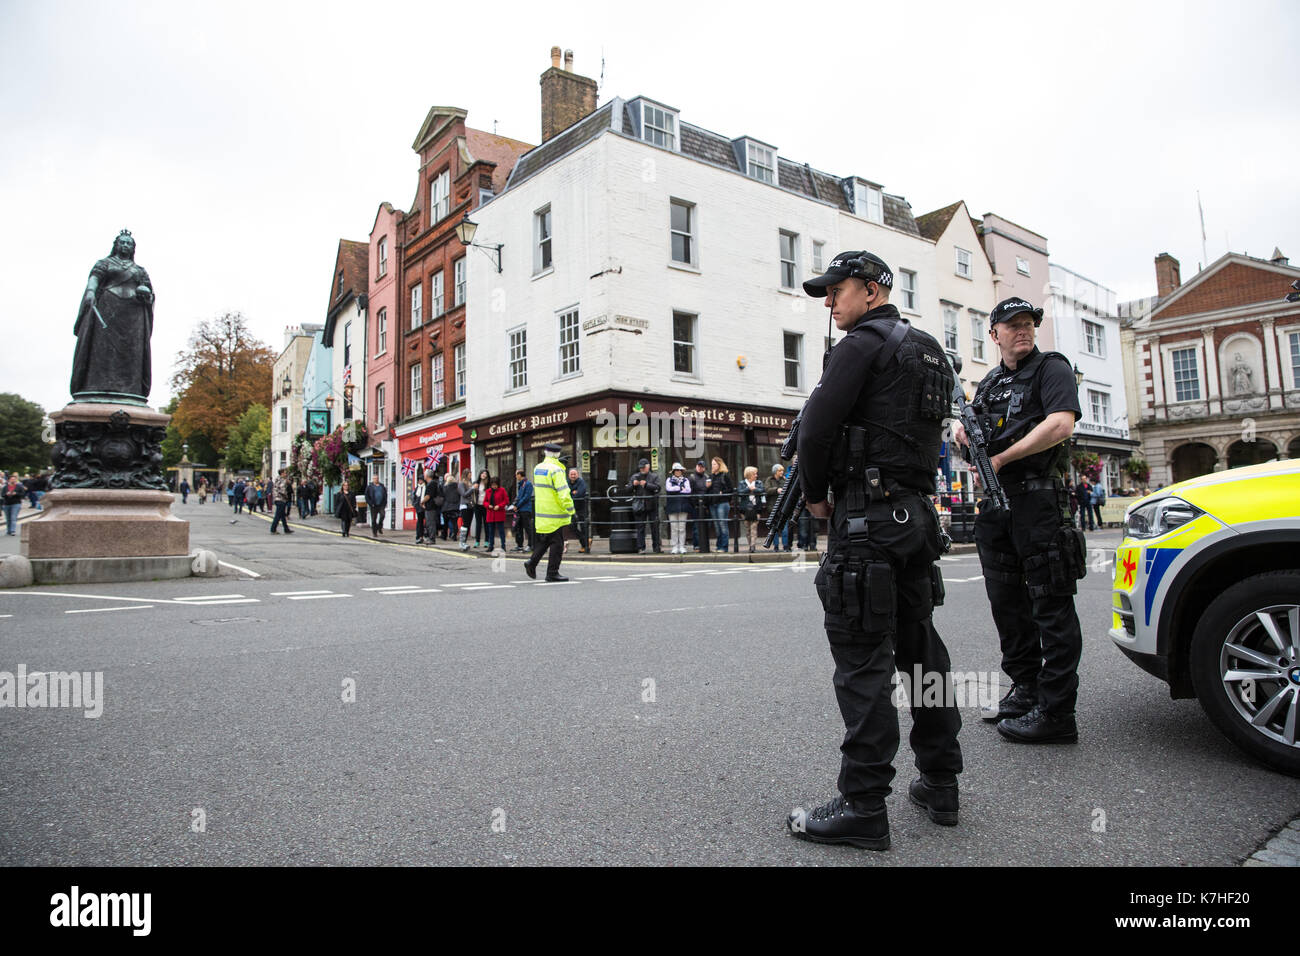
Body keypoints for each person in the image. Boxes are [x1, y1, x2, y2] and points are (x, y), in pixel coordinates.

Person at [787, 250, 963, 850]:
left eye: (836, 290)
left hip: (865, 520)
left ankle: (863, 806)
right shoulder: (927, 349)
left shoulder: (859, 346)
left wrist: (815, 498)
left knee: (864, 663)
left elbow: (814, 428)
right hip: (913, 516)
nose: (830, 301)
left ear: (871, 289)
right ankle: (941, 780)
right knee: (921, 652)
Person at [958, 296, 1085, 745]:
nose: (1023, 330)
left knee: (1050, 604)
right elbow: (970, 435)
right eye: (1012, 325)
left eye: (1029, 323)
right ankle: (1025, 689)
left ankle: (1056, 712)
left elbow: (1060, 425)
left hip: (1039, 502)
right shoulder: (990, 382)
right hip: (997, 507)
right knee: (1007, 604)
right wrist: (961, 436)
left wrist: (1001, 457)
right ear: (994, 334)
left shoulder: (1052, 367)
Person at [71, 230, 154, 403]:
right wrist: (91, 291)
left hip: (133, 315)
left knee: (132, 352)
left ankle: (130, 389)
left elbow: (150, 292)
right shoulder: (105, 263)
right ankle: (96, 387)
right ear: (116, 245)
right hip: (108, 308)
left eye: (129, 244)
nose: (125, 246)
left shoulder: (139, 270)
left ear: (133, 248)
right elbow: (94, 278)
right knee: (102, 350)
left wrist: (147, 294)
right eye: (122, 243)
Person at [523, 442, 576, 582]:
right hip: (555, 513)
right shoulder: (557, 470)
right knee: (557, 544)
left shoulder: (538, 468)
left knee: (547, 540)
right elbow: (563, 493)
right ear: (557, 454)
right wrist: (571, 510)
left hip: (542, 512)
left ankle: (532, 563)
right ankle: (552, 572)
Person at [626, 458, 662, 553]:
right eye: (640, 468)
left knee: (654, 526)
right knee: (640, 527)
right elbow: (627, 489)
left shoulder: (654, 476)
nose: (642, 469)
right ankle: (641, 548)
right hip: (639, 505)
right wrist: (633, 485)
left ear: (648, 466)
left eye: (643, 467)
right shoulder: (635, 476)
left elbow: (658, 488)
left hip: (652, 504)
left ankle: (656, 547)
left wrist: (646, 485)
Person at [664, 462, 693, 554]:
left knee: (682, 527)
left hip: (683, 506)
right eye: (676, 470)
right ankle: (674, 546)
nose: (678, 472)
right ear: (673, 471)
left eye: (680, 470)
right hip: (672, 506)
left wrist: (676, 488)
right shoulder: (669, 480)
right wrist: (680, 488)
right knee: (674, 527)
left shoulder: (686, 480)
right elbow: (669, 489)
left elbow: (688, 490)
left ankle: (682, 546)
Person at [737, 466, 766, 553]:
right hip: (745, 509)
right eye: (754, 474)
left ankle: (753, 546)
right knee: (747, 528)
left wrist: (755, 489)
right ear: (749, 475)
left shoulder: (758, 483)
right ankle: (750, 544)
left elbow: (762, 491)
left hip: (756, 508)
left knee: (754, 527)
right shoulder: (742, 483)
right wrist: (748, 489)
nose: (756, 475)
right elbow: (739, 493)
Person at [708, 457, 732, 552]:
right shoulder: (711, 476)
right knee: (717, 526)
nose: (712, 466)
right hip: (713, 503)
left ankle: (724, 547)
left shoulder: (725, 475)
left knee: (722, 524)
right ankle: (719, 546)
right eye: (712, 464)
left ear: (719, 465)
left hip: (722, 503)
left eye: (714, 464)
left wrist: (723, 493)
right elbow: (708, 490)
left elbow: (730, 489)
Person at [765, 464, 791, 551]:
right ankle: (775, 546)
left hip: (783, 507)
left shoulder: (784, 479)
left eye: (782, 470)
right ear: (775, 471)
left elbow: (789, 489)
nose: (782, 472)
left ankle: (785, 546)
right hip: (772, 507)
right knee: (774, 528)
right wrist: (776, 490)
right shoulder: (769, 480)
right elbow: (767, 490)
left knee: (784, 529)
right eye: (780, 471)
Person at [689, 460, 711, 553]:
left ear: (704, 468)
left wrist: (708, 487)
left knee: (707, 525)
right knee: (696, 526)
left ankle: (705, 545)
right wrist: (694, 504)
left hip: (706, 505)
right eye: (698, 466)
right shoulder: (692, 478)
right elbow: (690, 492)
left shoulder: (707, 477)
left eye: (702, 466)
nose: (700, 467)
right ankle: (697, 545)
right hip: (696, 505)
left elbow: (708, 491)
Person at [510, 469, 534, 552]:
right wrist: (514, 504)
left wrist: (518, 505)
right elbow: (519, 496)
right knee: (518, 528)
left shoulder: (528, 484)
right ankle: (519, 545)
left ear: (520, 475)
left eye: (516, 474)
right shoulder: (520, 484)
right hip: (519, 509)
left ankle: (531, 545)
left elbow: (526, 497)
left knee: (527, 528)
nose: (516, 476)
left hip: (526, 509)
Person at [567, 467, 590, 553]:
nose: (573, 476)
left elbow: (580, 493)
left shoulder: (581, 482)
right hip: (571, 508)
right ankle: (585, 542)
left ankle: (585, 546)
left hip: (582, 507)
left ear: (578, 474)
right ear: (569, 475)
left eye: (574, 474)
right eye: (571, 474)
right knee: (572, 526)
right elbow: (565, 493)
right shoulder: (567, 482)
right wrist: (573, 492)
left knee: (584, 526)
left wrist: (572, 494)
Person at [483, 476, 509, 551]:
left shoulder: (502, 490)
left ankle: (503, 546)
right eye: (492, 485)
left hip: (499, 513)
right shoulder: (488, 491)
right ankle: (491, 546)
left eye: (495, 485)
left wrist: (499, 506)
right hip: (490, 514)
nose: (494, 486)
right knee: (491, 531)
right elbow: (485, 502)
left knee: (501, 531)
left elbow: (506, 500)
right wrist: (488, 505)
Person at [441, 469, 464, 549]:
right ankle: (454, 536)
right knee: (454, 523)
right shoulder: (457, 488)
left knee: (445, 523)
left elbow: (442, 497)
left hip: (446, 507)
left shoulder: (445, 488)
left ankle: (444, 536)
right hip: (455, 507)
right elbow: (460, 496)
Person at [270, 468, 294, 534]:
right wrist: (286, 496)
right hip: (280, 499)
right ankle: (273, 529)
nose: (286, 474)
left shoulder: (278, 479)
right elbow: (282, 490)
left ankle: (286, 529)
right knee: (278, 515)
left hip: (278, 498)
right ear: (282, 473)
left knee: (283, 515)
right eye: (285, 473)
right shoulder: (281, 480)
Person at [472, 469, 490, 547]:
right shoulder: (476, 483)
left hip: (485, 506)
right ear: (479, 474)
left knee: (486, 524)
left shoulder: (489, 484)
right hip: (477, 505)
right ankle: (477, 541)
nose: (483, 474)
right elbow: (471, 494)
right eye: (482, 473)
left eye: (485, 473)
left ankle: (487, 541)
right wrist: (474, 488)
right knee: (478, 523)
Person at [413, 474, 429, 544]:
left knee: (427, 522)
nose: (419, 481)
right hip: (419, 508)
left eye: (421, 480)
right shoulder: (417, 488)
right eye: (419, 480)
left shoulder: (426, 487)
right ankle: (419, 536)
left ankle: (426, 535)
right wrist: (415, 504)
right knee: (419, 522)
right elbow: (415, 497)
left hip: (425, 507)